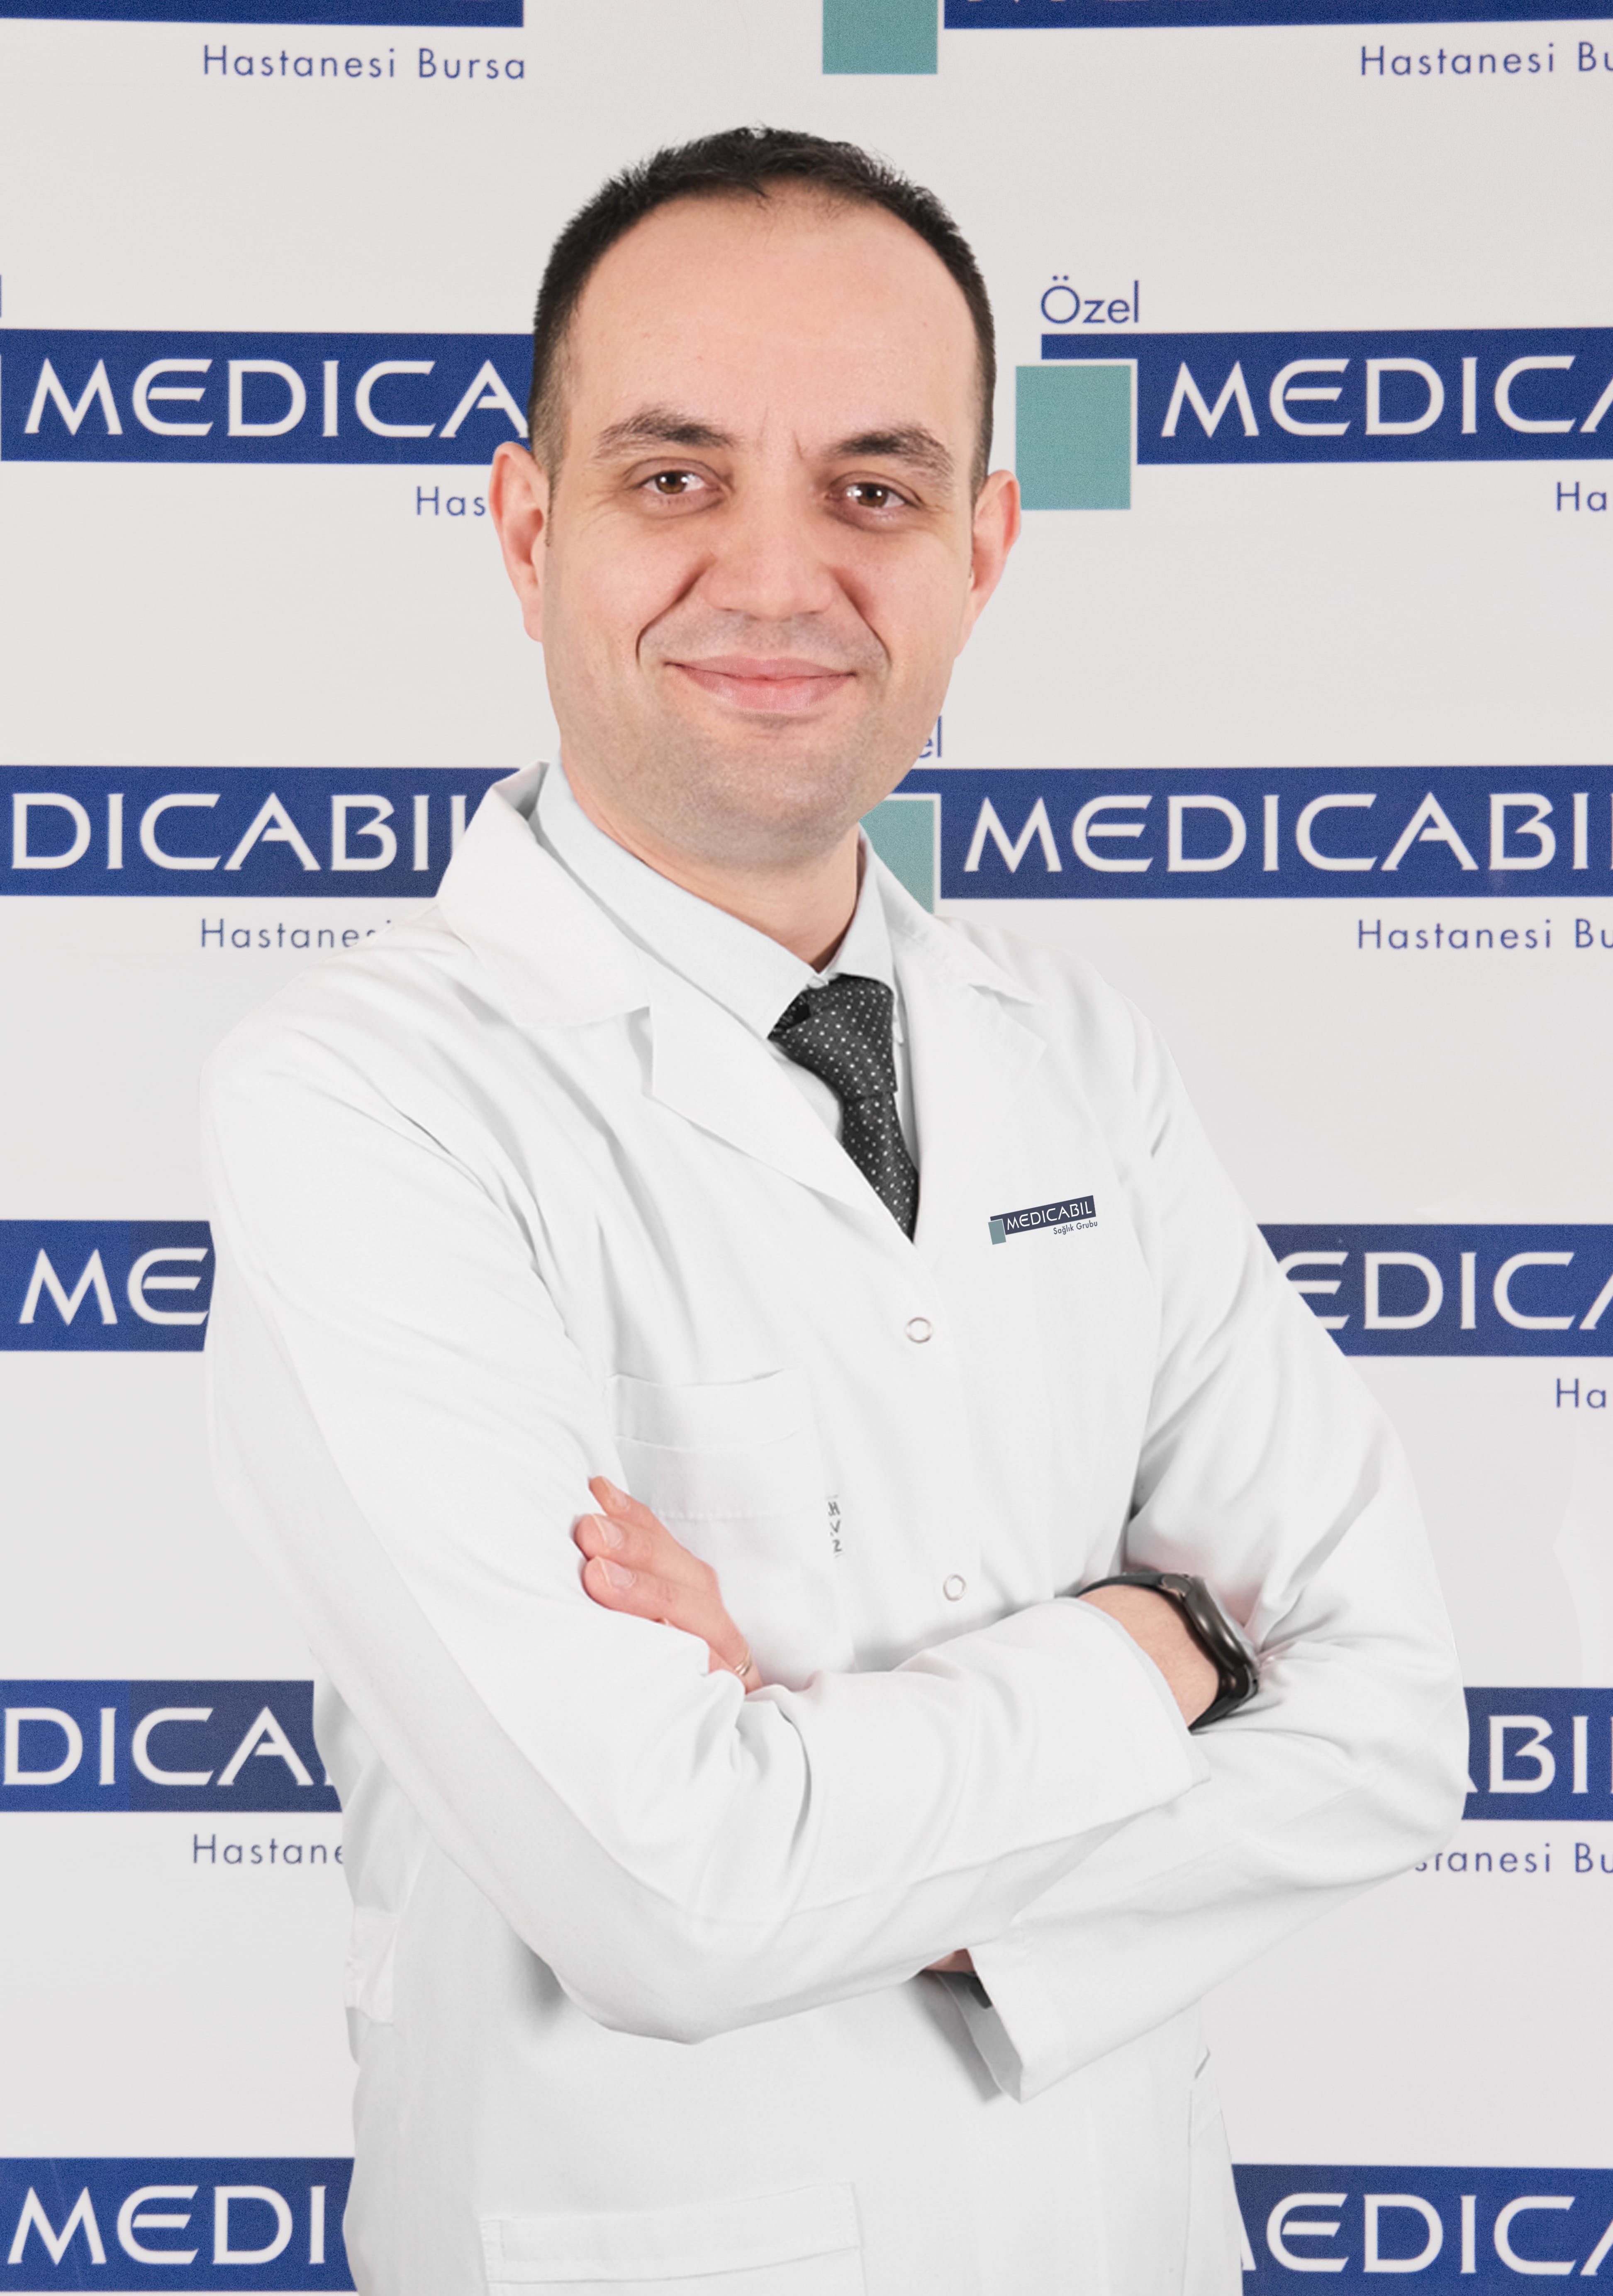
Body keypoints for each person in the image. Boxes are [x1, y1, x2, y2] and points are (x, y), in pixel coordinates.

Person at [202, 127, 1466, 2296]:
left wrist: (815, 1780)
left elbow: (1389, 1724)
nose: (778, 576)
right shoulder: (367, 1099)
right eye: (674, 475)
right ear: (530, 531)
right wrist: (1158, 1652)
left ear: (985, 548)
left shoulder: (1072, 1052)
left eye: (875, 490)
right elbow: (672, 1905)